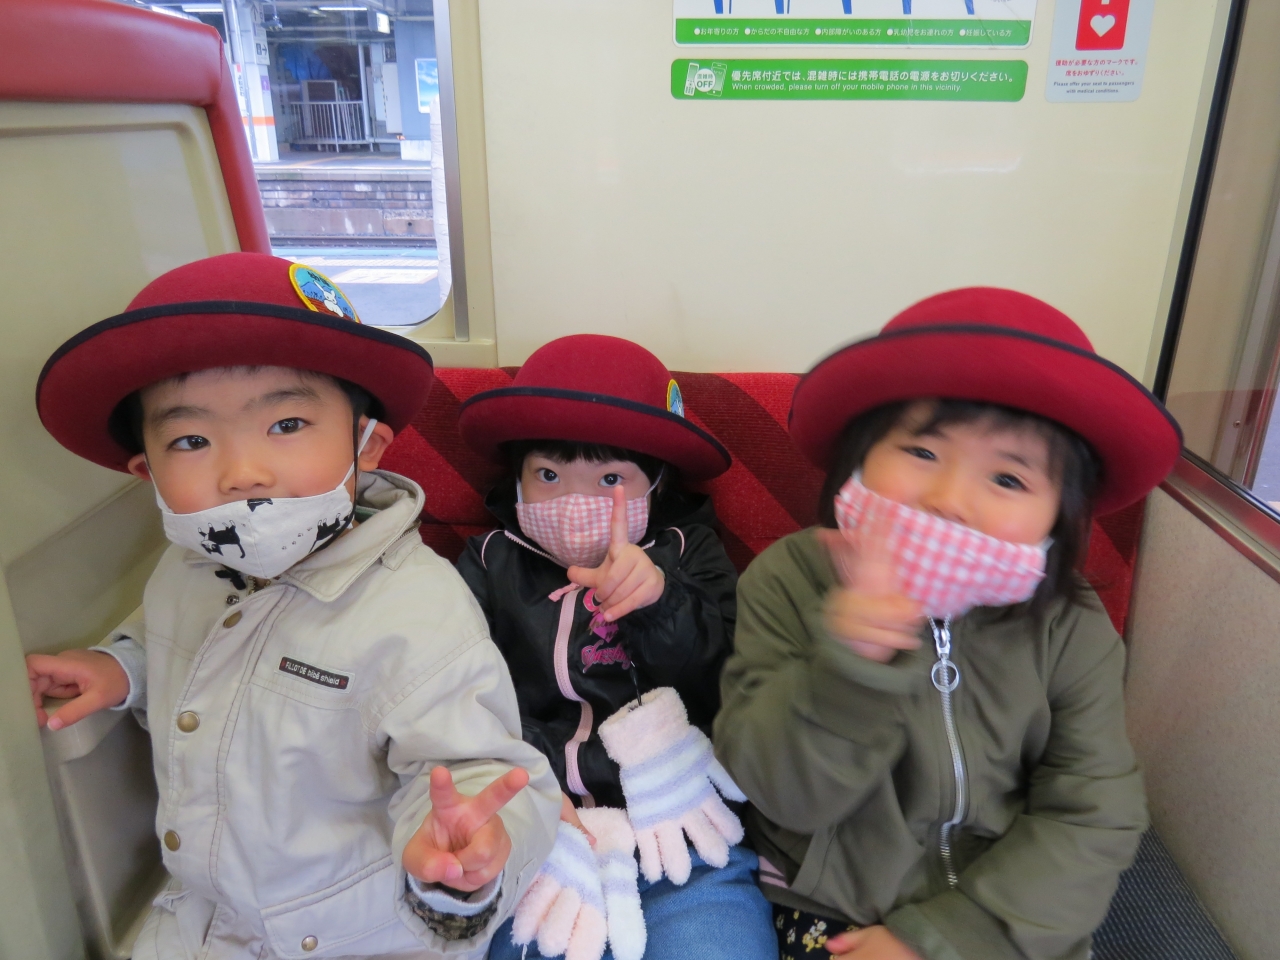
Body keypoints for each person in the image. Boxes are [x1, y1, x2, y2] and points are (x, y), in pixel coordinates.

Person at [26, 253, 560, 960]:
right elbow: (188, 647)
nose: (242, 472)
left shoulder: (418, 611)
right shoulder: (185, 568)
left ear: (367, 445)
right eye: (191, 440)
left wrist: (465, 855)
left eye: (286, 425)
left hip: (356, 935)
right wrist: (122, 667)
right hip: (201, 913)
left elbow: (479, 772)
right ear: (146, 472)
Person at [714, 287, 1183, 960]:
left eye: (1009, 480)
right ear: (860, 457)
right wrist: (851, 664)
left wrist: (949, 936)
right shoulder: (786, 579)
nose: (949, 501)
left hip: (1008, 919)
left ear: (1060, 515)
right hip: (832, 907)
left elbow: (1094, 809)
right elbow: (781, 795)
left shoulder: (1071, 621)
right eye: (922, 453)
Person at [453, 334, 776, 960]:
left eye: (609, 478)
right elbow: (453, 689)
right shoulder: (488, 562)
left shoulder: (689, 551)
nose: (574, 501)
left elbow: (727, 681)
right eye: (548, 475)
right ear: (516, 479)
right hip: (540, 833)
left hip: (684, 826)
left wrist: (661, 602)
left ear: (655, 482)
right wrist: (533, 787)